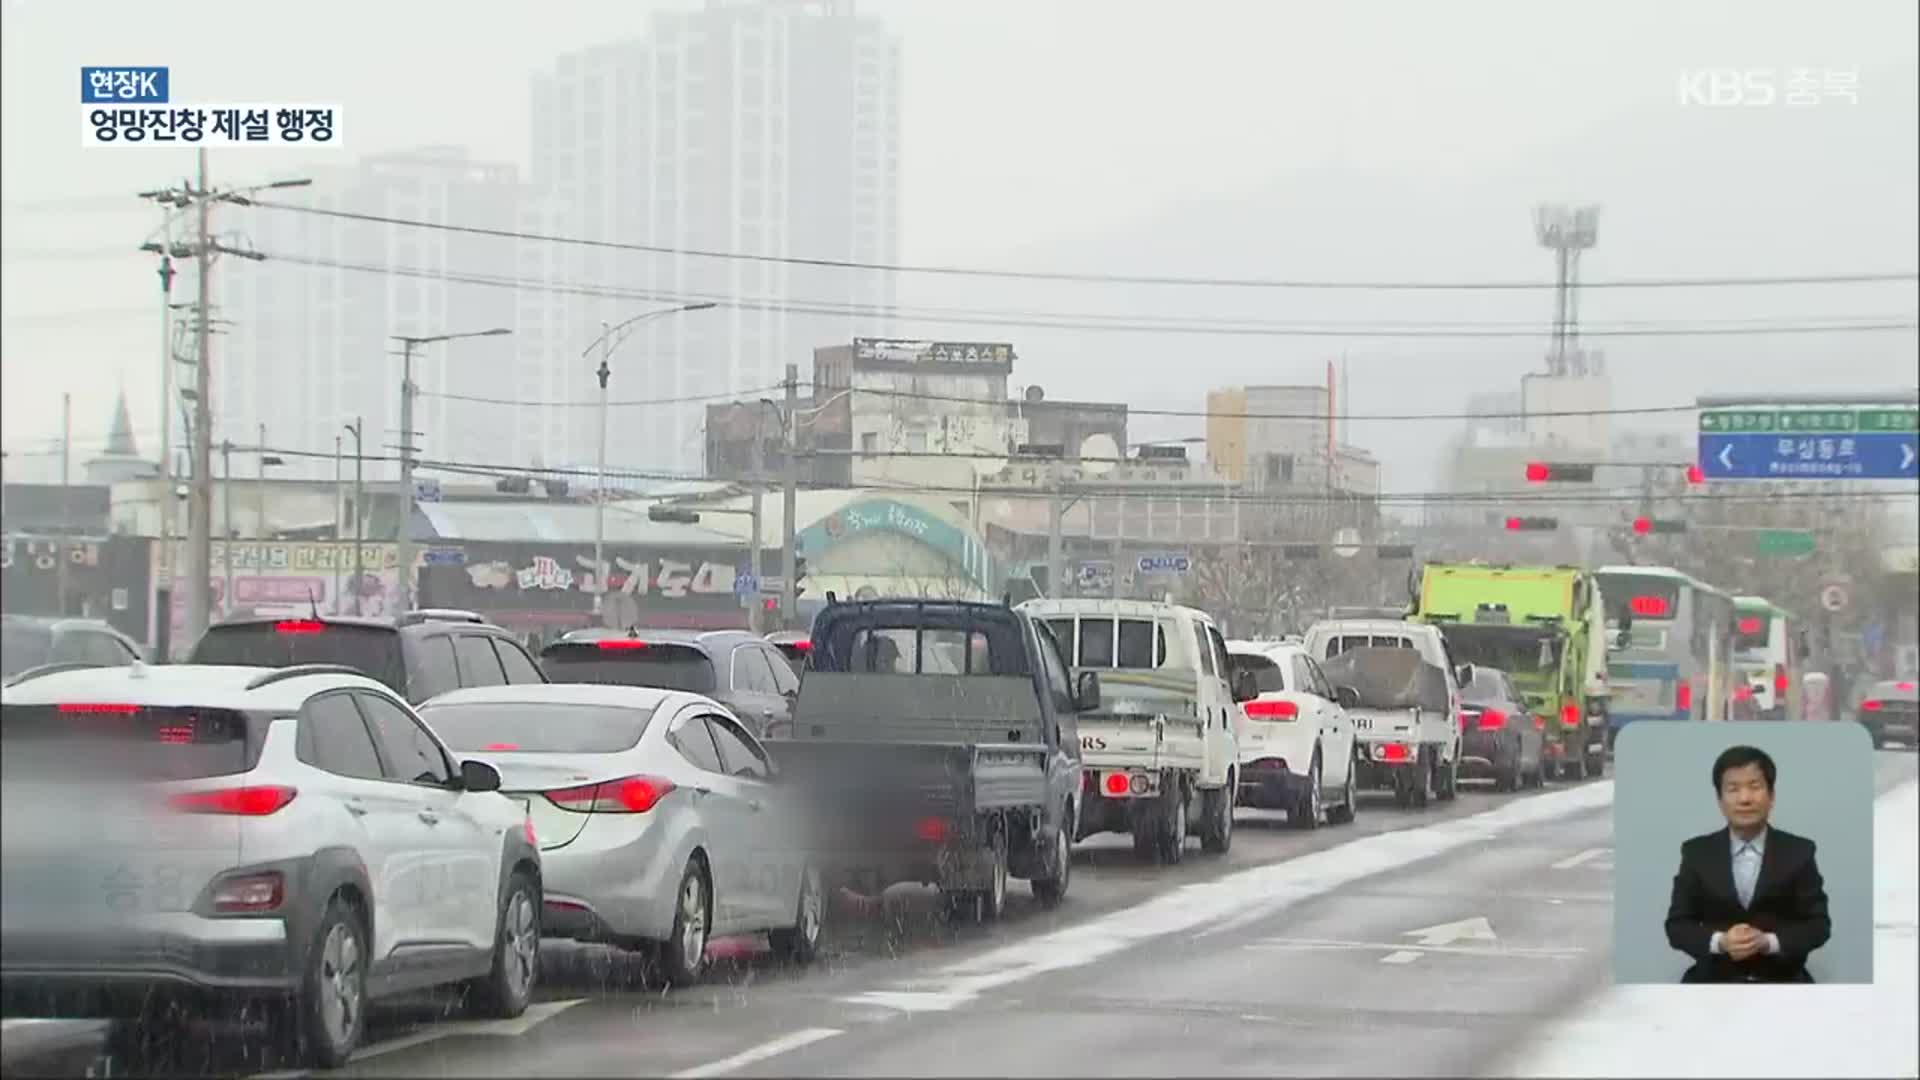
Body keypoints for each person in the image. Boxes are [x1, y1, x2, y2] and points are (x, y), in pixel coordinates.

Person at [1664, 744, 1831, 983]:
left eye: (1755, 787)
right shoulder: (1696, 853)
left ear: (1771, 796)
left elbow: (1818, 925)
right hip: (1712, 981)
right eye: (1733, 789)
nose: (1745, 799)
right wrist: (1720, 941)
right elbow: (1677, 927)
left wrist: (1768, 942)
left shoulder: (1800, 852)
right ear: (1720, 800)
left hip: (1784, 981)